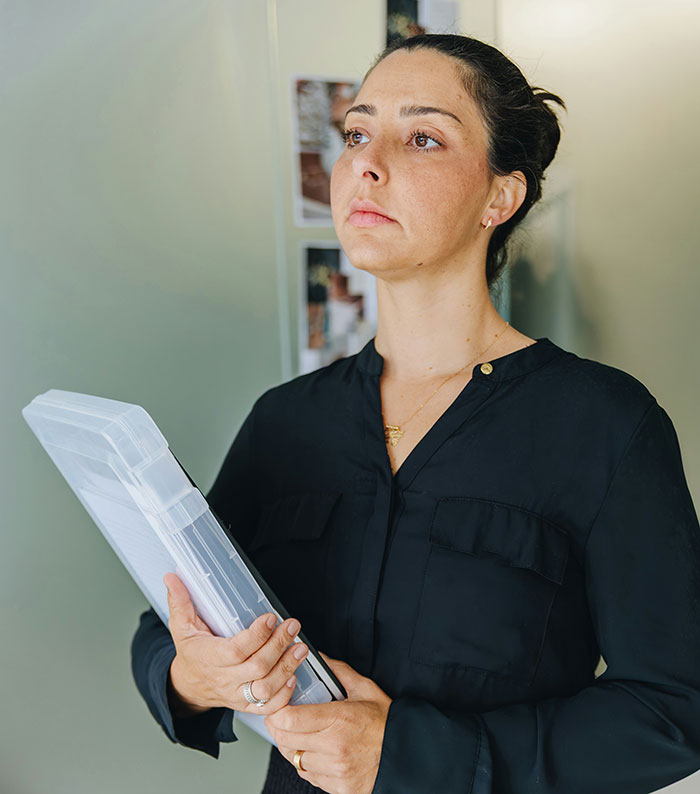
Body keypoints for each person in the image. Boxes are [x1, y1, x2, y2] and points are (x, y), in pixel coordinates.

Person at [131, 33, 700, 794]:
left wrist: (409, 755)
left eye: (423, 137)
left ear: (502, 196)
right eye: (358, 133)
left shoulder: (605, 426)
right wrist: (192, 676)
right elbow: (168, 626)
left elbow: (676, 709)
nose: (366, 162)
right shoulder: (285, 422)